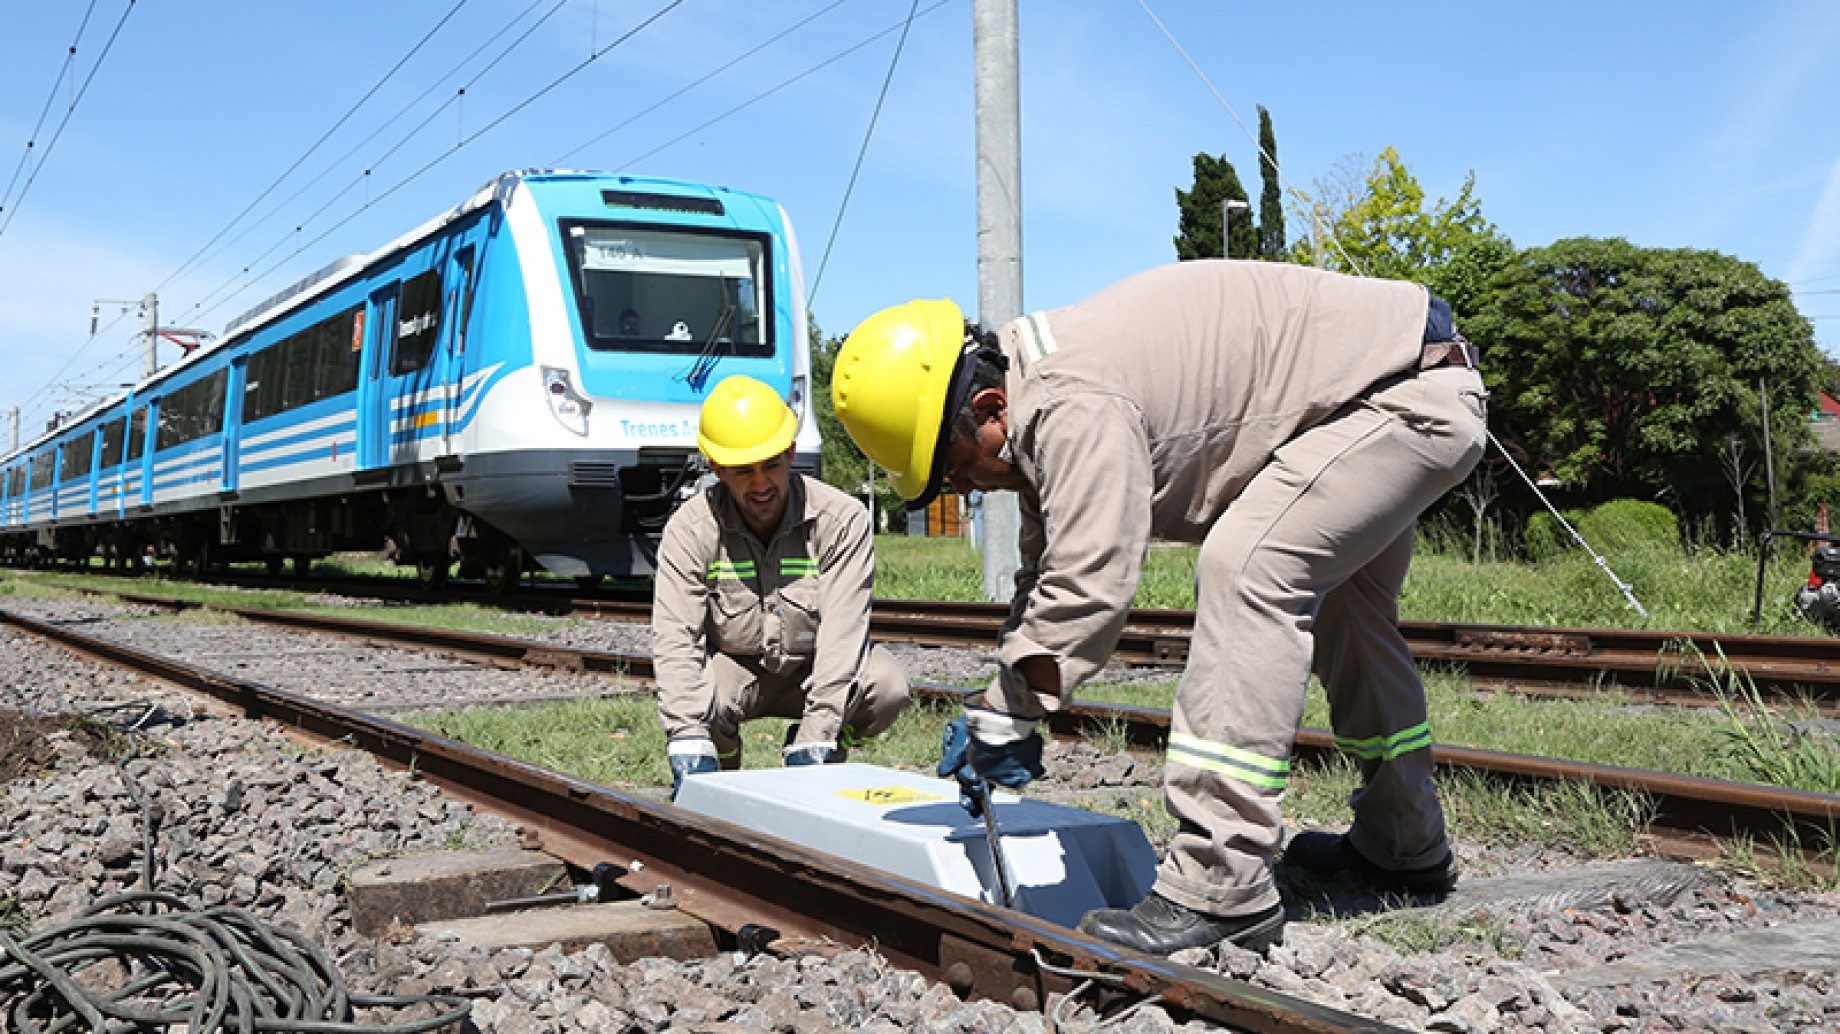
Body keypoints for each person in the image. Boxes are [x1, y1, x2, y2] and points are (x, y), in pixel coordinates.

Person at [831, 260, 1487, 955]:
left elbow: (1090, 582)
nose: (964, 488)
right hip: (1384, 391)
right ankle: (1403, 840)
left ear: (992, 408)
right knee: (1349, 617)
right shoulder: (1039, 401)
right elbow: (1046, 574)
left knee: (1248, 569)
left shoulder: (1068, 405)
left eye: (957, 466)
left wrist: (1009, 712)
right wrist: (1002, 702)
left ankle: (1221, 882)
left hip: (1401, 397)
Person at [655, 374, 912, 799]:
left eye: (771, 465)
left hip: (815, 669)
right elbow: (675, 636)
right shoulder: (691, 529)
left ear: (791, 453)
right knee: (699, 698)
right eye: (743, 471)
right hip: (735, 669)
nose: (760, 484)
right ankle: (723, 774)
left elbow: (843, 634)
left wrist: (818, 733)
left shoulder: (842, 521)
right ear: (717, 468)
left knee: (886, 686)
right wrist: (687, 736)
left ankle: (826, 753)